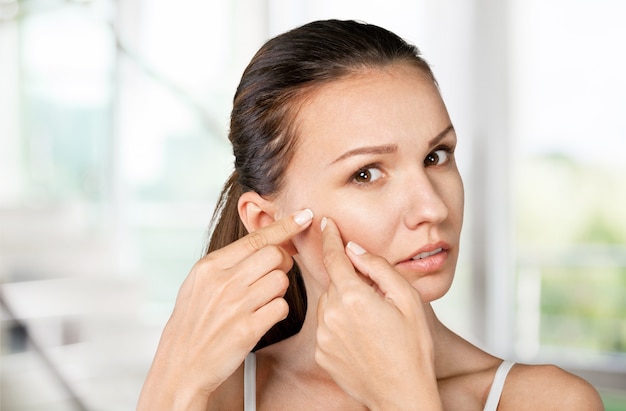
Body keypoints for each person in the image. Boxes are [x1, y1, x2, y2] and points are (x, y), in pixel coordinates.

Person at [137, 19, 603, 410]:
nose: (432, 208)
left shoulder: (545, 401)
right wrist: (169, 384)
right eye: (366, 174)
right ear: (265, 222)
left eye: (436, 156)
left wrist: (404, 397)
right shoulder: (216, 398)